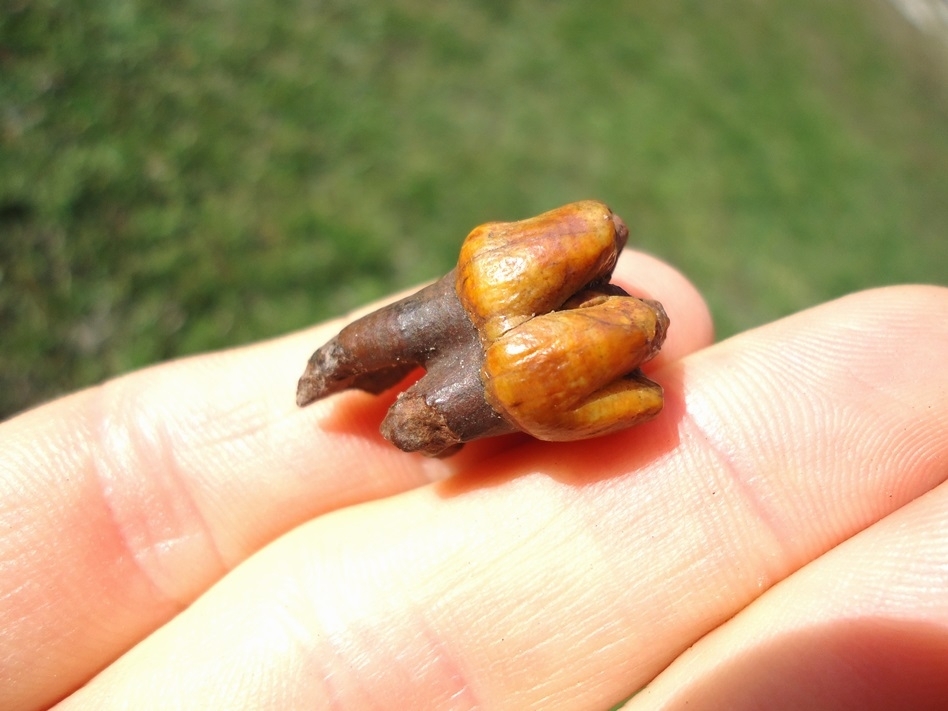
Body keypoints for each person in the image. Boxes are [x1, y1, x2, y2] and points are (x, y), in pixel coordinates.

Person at [2, 251, 946, 711]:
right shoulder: (500, 330)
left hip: (512, 343)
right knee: (381, 359)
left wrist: (595, 392)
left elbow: (639, 405)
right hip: (503, 333)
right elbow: (637, 402)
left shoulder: (519, 355)